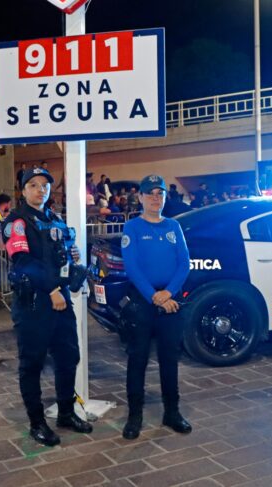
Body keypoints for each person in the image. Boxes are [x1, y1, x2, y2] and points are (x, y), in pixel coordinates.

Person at [1, 168, 92, 447]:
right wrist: (52, 289)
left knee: (68, 357)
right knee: (32, 364)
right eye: (33, 185)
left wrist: (72, 252)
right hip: (35, 303)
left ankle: (66, 412)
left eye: (44, 185)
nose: (40, 190)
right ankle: (37, 423)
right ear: (23, 190)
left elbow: (61, 253)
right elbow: (24, 262)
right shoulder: (16, 222)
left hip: (60, 300)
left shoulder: (54, 219)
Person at [119, 174, 192, 440]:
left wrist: (169, 293)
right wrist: (154, 296)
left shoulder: (173, 227)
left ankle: (171, 412)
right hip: (143, 301)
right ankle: (134, 416)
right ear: (140, 197)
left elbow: (184, 264)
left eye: (159, 193)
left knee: (169, 360)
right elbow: (132, 267)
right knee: (137, 360)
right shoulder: (133, 228)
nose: (155, 198)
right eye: (150, 193)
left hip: (170, 301)